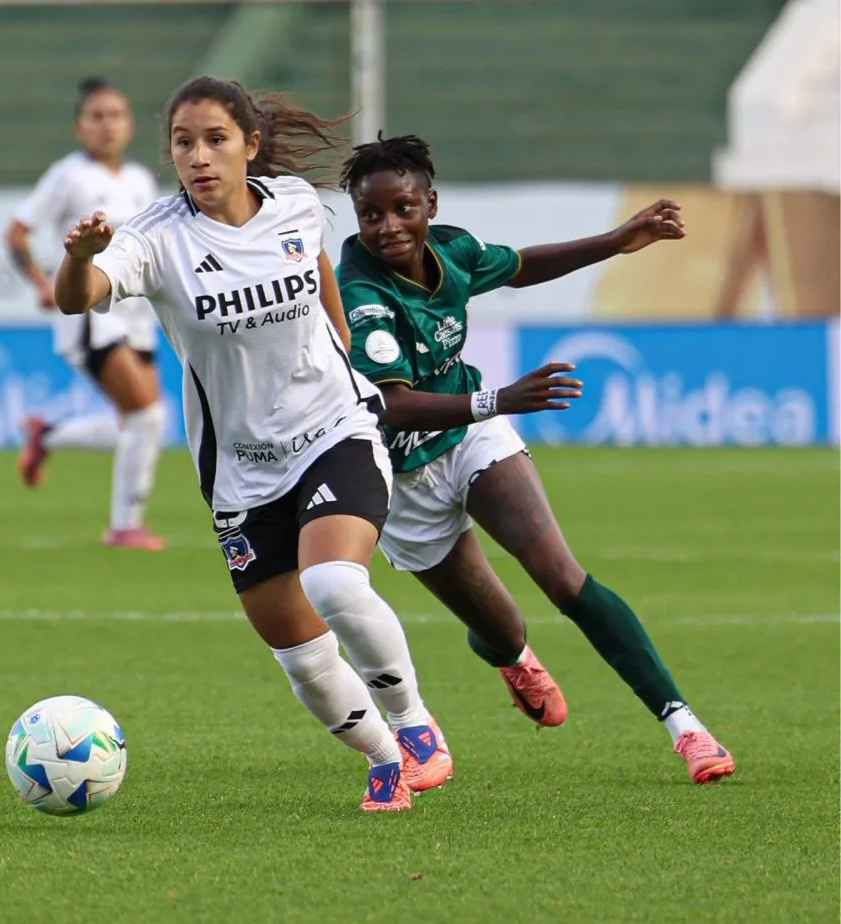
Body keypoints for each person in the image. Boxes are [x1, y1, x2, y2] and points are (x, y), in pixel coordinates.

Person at [53, 77, 460, 811]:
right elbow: (75, 298)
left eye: (215, 139)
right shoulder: (154, 238)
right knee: (301, 657)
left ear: (251, 144)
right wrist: (81, 258)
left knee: (333, 583)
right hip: (241, 471)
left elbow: (317, 268)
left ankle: (414, 724)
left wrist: (345, 351)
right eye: (184, 143)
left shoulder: (295, 204)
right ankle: (383, 759)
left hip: (334, 430)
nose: (199, 156)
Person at [336, 133, 735, 785]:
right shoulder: (361, 294)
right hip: (400, 476)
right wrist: (500, 398)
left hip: (473, 438)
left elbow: (521, 266)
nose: (388, 226)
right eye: (370, 214)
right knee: (500, 627)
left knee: (562, 577)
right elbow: (396, 406)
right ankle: (511, 656)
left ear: (430, 204)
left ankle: (687, 728)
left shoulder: (454, 250)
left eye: (403, 208)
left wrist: (617, 241)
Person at [5, 77, 167, 551]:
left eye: (116, 115)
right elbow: (17, 233)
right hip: (91, 315)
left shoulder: (139, 180)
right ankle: (124, 526)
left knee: (140, 422)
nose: (108, 125)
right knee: (146, 417)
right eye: (97, 117)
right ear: (79, 127)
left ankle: (47, 434)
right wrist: (42, 284)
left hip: (135, 315)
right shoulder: (68, 176)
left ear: (130, 125)